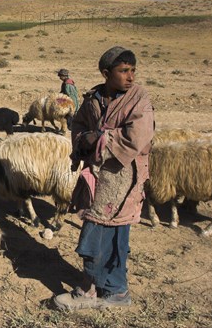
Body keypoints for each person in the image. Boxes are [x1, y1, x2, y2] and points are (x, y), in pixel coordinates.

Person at [53, 46, 155, 311]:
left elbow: (137, 138)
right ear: (107, 73)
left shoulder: (139, 99)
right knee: (96, 228)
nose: (130, 76)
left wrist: (98, 139)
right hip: (97, 177)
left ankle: (106, 291)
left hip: (123, 178)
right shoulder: (93, 98)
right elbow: (78, 125)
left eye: (133, 70)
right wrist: (82, 140)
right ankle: (101, 288)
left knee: (109, 232)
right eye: (124, 71)